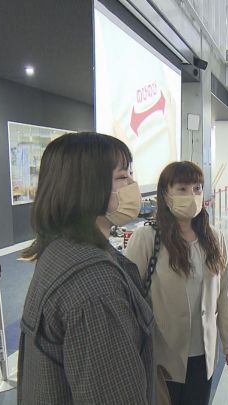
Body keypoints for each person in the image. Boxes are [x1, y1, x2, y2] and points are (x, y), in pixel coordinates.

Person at [18, 132, 154, 404]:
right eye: (122, 176)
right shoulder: (95, 283)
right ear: (87, 186)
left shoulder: (60, 249)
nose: (133, 184)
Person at [124, 161, 228, 405]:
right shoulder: (147, 238)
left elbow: (224, 296)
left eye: (197, 188)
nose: (191, 195)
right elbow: (128, 297)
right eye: (182, 189)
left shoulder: (213, 238)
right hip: (162, 356)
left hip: (203, 354)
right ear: (165, 194)